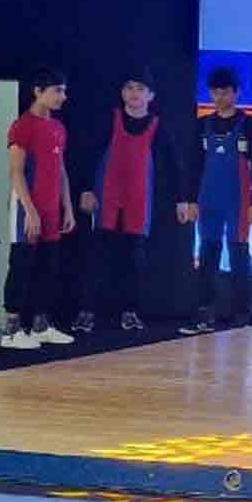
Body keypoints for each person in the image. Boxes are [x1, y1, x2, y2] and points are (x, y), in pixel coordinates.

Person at [74, 69, 185, 334]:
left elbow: (173, 165)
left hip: (138, 200)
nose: (134, 94)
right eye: (129, 88)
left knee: (133, 260)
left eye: (140, 89)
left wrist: (182, 200)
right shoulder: (108, 119)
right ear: (122, 93)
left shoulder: (158, 126)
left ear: (151, 95)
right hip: (106, 197)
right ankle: (86, 312)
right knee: (98, 257)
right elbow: (88, 153)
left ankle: (130, 312)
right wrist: (86, 189)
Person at [181, 67, 252, 335]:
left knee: (239, 254)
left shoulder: (249, 124)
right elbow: (193, 164)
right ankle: (205, 314)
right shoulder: (202, 125)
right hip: (208, 200)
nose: (220, 98)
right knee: (208, 255)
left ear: (236, 93)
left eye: (225, 92)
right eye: (215, 93)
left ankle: (241, 315)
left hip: (238, 200)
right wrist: (190, 200)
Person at [1, 66, 77, 350]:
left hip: (52, 208)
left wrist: (68, 208)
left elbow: (61, 170)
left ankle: (40, 326)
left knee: (48, 267)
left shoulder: (58, 128)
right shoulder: (22, 126)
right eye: (57, 91)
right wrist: (30, 211)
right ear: (38, 92)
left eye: (64, 91)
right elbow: (16, 172)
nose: (63, 96)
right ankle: (11, 330)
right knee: (22, 265)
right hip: (27, 208)